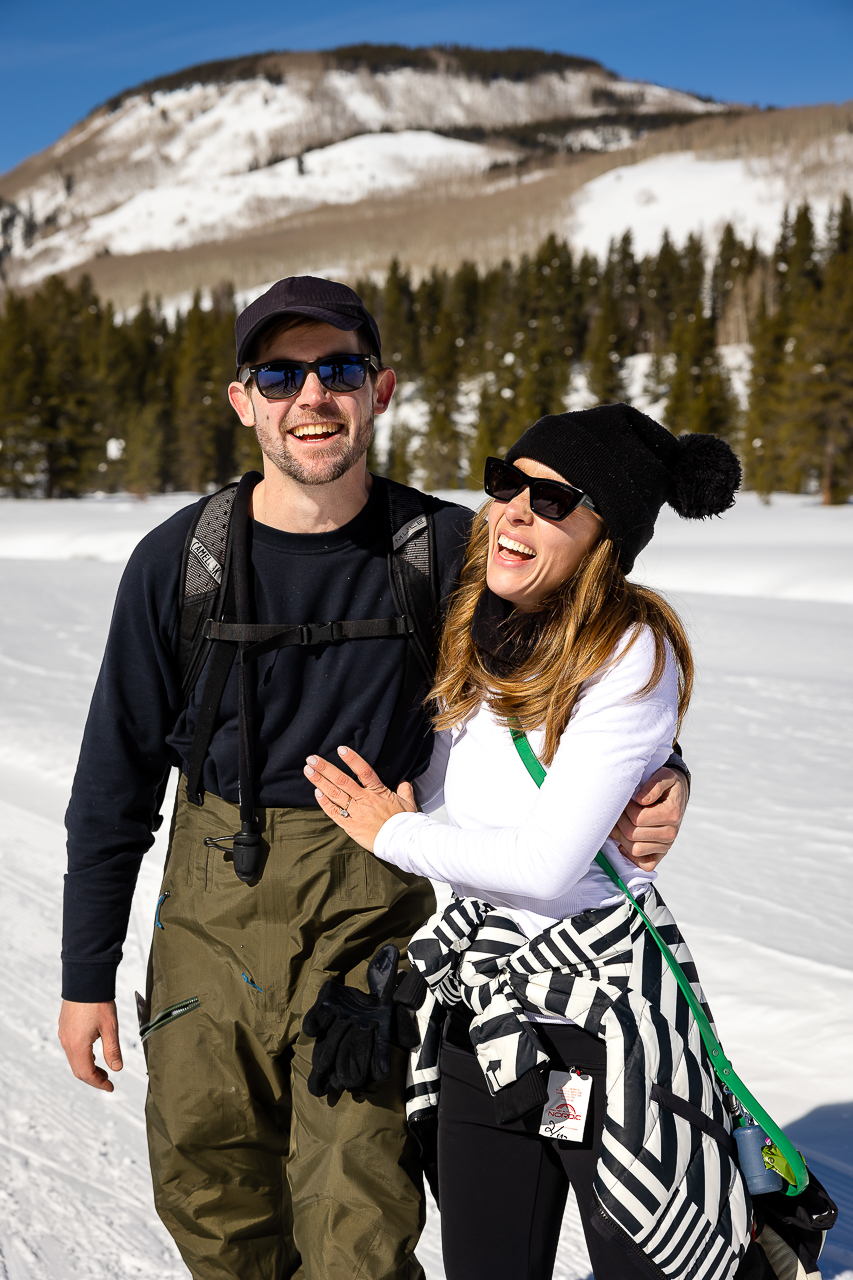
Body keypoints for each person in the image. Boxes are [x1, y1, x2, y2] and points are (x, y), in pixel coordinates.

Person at [57, 279, 690, 1280]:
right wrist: (86, 973)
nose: (312, 396)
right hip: (209, 917)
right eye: (280, 374)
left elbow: (581, 648)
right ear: (243, 400)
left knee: (359, 1209)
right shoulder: (180, 560)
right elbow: (114, 779)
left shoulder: (444, 551)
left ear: (380, 388)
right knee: (207, 1187)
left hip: (373, 921)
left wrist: (663, 772)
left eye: (338, 370)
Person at [306, 406, 754, 1280]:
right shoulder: (475, 622)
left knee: (645, 1255)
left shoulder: (630, 651)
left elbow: (547, 865)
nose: (513, 510)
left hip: (599, 1017)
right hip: (485, 1007)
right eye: (505, 483)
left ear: (603, 538)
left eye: (551, 500)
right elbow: (460, 799)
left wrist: (393, 833)